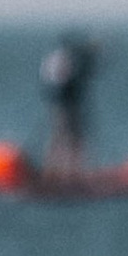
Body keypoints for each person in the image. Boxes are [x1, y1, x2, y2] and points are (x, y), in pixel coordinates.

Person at [38, 33, 100, 174]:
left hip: (65, 103)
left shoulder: (55, 59)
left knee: (65, 134)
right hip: (65, 104)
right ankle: (65, 169)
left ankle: (64, 168)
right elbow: (65, 79)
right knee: (67, 135)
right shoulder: (63, 61)